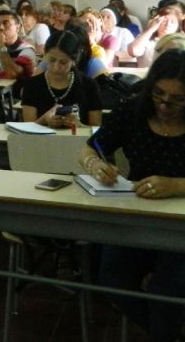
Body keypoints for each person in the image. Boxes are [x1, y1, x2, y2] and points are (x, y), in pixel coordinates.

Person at [78, 49, 185, 342]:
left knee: (167, 290)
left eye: (177, 99)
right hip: (139, 214)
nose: (164, 104)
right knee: (112, 280)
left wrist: (177, 185)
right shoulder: (134, 110)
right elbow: (91, 148)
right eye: (159, 94)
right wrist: (97, 164)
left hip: (180, 225)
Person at [21, 29, 103, 128]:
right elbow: (26, 129)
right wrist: (45, 119)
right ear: (45, 55)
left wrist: (80, 126)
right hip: (42, 142)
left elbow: (96, 128)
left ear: (74, 60)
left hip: (78, 142)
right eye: (51, 60)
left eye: (63, 62)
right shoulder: (32, 85)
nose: (56, 67)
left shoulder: (89, 86)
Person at [128, 0, 184, 68]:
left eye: (173, 22)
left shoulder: (180, 41)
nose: (168, 24)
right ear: (156, 20)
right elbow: (134, 51)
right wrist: (150, 29)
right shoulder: (146, 39)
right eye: (164, 21)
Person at [0, 10, 37, 97]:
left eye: (6, 23)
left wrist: (1, 47)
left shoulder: (27, 50)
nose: (1, 27)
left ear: (18, 27)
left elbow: (11, 74)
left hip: (15, 98)